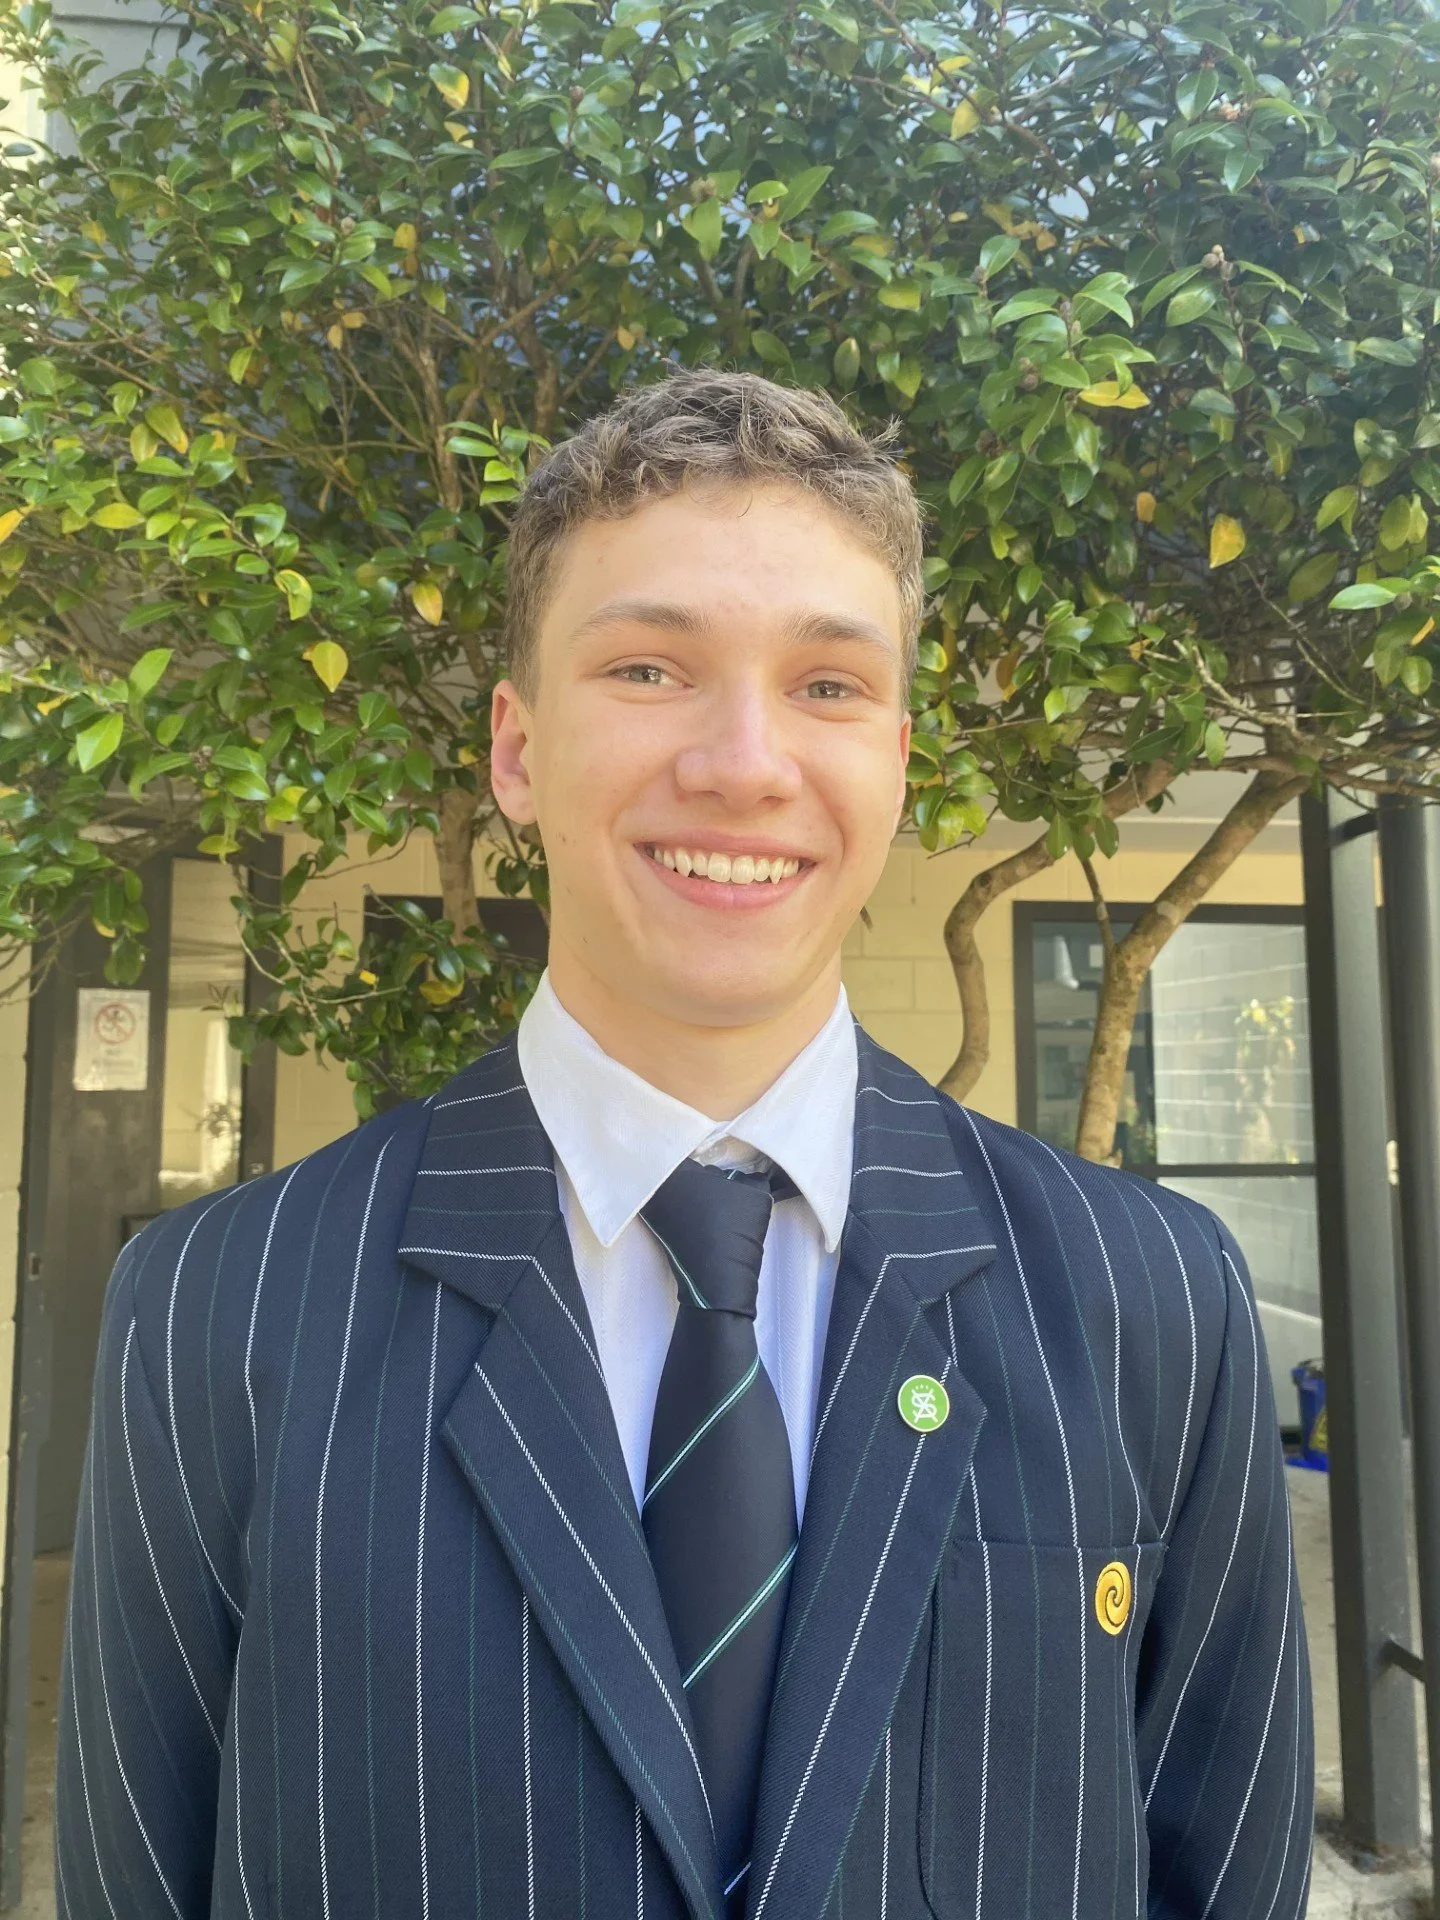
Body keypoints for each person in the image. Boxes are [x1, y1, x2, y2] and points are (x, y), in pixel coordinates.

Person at [55, 369, 1312, 1919]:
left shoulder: (1153, 1299)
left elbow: (1223, 1867)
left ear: (898, 762)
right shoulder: (212, 1314)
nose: (744, 762)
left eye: (829, 686)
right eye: (649, 668)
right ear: (518, 751)